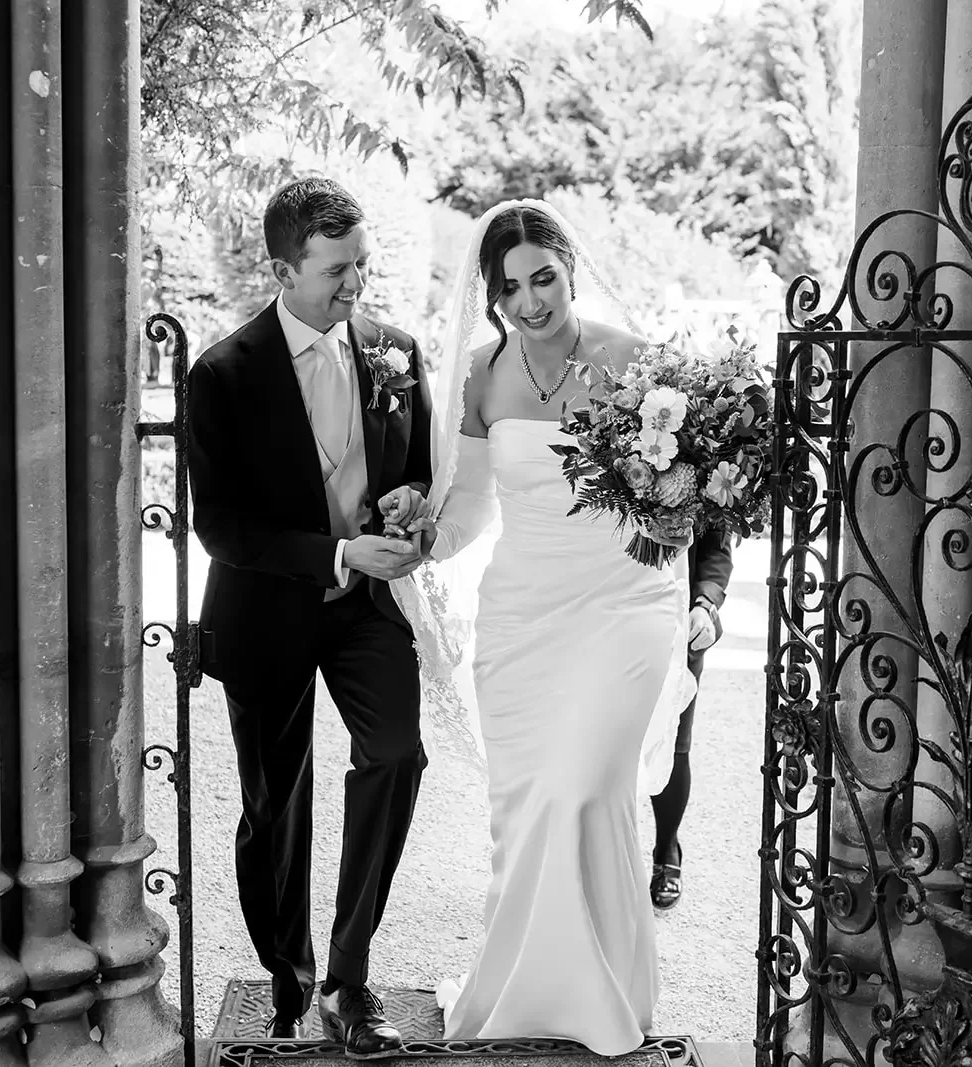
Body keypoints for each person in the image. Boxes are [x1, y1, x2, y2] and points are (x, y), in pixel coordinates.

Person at [388, 200, 695, 1056]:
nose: (531, 301)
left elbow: (689, 493)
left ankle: (602, 991)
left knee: (586, 784)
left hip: (626, 603)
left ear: (570, 268)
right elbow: (475, 504)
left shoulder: (636, 364)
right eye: (511, 288)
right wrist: (424, 536)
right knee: (527, 810)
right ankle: (530, 986)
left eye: (544, 278)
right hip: (524, 615)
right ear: (492, 296)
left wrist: (685, 524)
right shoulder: (484, 376)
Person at [187, 176, 434, 1057]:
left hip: (366, 610)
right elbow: (220, 525)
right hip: (266, 616)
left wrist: (413, 513)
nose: (356, 285)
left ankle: (348, 975)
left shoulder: (395, 351)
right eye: (337, 269)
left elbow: (420, 473)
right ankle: (288, 979)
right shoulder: (221, 373)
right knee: (273, 806)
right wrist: (332, 554)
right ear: (284, 268)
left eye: (363, 264)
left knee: (397, 754)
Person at [649, 526, 734, 910]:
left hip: (678, 617)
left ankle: (667, 848)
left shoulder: (702, 464)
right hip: (606, 610)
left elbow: (717, 549)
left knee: (674, 739)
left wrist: (705, 604)